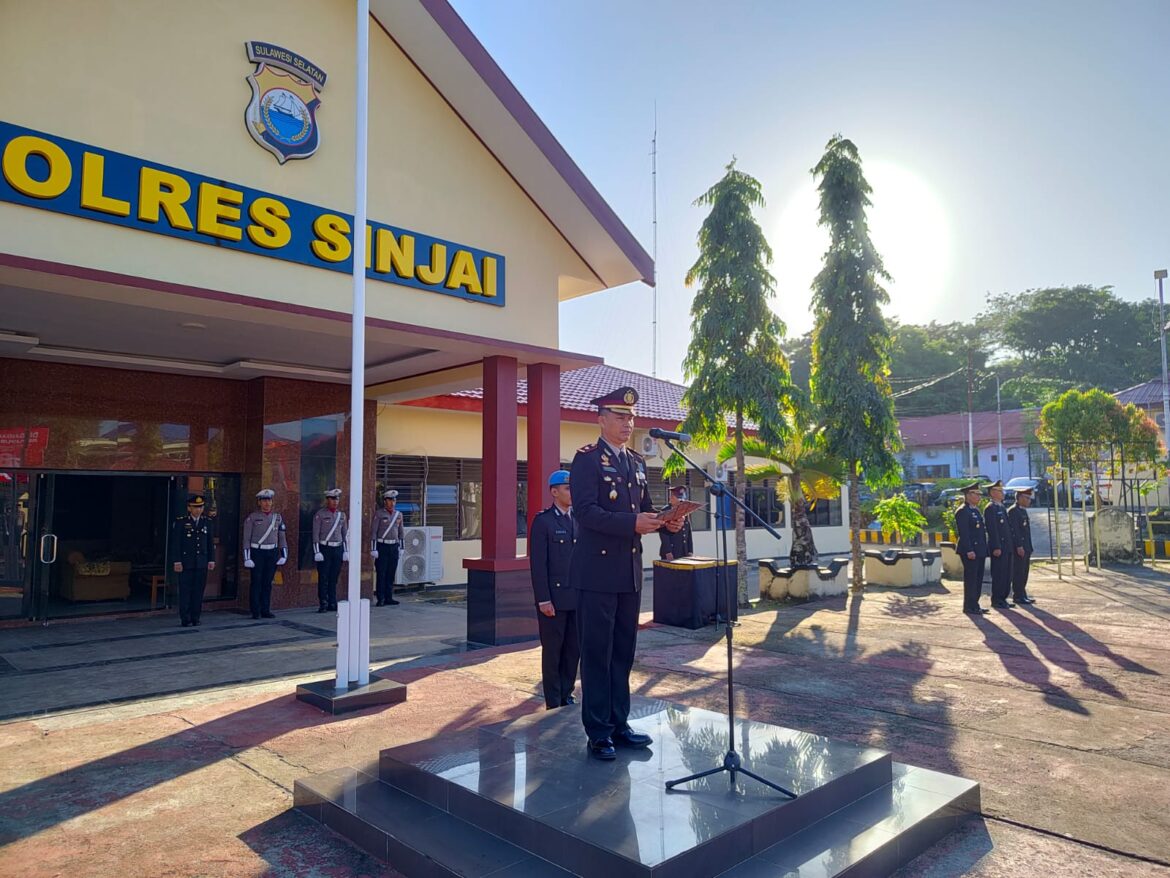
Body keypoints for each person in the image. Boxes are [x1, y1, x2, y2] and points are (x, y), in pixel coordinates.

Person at [569, 386, 681, 761]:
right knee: (597, 653)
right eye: (619, 417)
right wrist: (632, 521)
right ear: (600, 419)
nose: (627, 423)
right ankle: (598, 731)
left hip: (629, 573)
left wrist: (668, 523)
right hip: (596, 574)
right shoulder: (586, 460)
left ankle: (620, 722)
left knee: (623, 652)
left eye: (631, 418)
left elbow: (645, 510)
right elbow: (585, 513)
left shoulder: (636, 462)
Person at [529, 469, 580, 710]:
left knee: (573, 650)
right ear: (554, 491)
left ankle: (567, 693)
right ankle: (553, 700)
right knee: (553, 652)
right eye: (568, 488)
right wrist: (543, 600)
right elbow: (538, 565)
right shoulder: (543, 521)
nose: (572, 492)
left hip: (577, 598)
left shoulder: (578, 519)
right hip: (554, 599)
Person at [171, 493, 215, 627]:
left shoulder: (207, 522)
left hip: (201, 562)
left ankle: (196, 617)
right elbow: (176, 543)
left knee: (198, 591)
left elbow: (209, 543)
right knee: (185, 591)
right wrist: (177, 561)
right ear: (189, 508)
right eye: (195, 507)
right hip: (186, 563)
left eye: (200, 507)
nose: (198, 510)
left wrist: (211, 560)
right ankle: (186, 618)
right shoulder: (181, 522)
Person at [243, 488, 287, 620]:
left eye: (269, 500)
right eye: (264, 501)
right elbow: (246, 538)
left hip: (272, 552)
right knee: (256, 582)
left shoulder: (277, 517)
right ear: (259, 502)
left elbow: (282, 537)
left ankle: (265, 609)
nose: (267, 503)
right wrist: (247, 557)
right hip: (257, 552)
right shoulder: (252, 518)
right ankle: (255, 611)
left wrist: (284, 554)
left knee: (268, 582)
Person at [954, 482, 988, 615]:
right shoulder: (963, 511)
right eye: (976, 494)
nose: (979, 497)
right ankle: (969, 605)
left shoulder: (975, 510)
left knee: (978, 578)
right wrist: (969, 550)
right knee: (971, 578)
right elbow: (964, 533)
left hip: (979, 550)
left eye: (979, 494)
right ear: (968, 495)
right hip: (970, 551)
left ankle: (975, 604)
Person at [312, 488, 347, 613]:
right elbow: (315, 534)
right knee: (324, 577)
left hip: (337, 548)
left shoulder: (341, 515)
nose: (335, 501)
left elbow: (344, 535)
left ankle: (333, 602)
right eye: (333, 499)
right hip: (324, 548)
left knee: (334, 577)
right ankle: (323, 602)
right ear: (327, 500)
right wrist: (317, 551)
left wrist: (345, 551)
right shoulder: (320, 514)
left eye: (337, 499)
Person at [983, 479, 1016, 609]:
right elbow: (993, 529)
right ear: (992, 493)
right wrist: (996, 546)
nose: (1003, 493)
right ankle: (997, 599)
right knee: (999, 574)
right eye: (1000, 491)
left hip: (1007, 546)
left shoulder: (1001, 507)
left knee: (1007, 574)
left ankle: (1003, 598)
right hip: (999, 547)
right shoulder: (990, 508)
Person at [371, 490, 404, 606]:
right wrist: (374, 548)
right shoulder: (379, 514)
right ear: (385, 501)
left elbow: (401, 532)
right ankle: (381, 598)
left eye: (394, 500)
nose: (392, 503)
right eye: (390, 500)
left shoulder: (398, 514)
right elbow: (374, 532)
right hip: (382, 546)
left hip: (394, 546)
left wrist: (402, 548)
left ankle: (389, 597)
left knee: (391, 573)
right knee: (381, 573)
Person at [1007, 486, 1036, 604]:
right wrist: (1019, 546)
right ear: (1019, 498)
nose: (1029, 500)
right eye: (1027, 498)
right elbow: (1015, 531)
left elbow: (1026, 531)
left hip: (1026, 546)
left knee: (1024, 571)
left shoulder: (1022, 510)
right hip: (1019, 548)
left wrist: (1029, 546)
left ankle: (1022, 593)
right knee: (1018, 572)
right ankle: (1018, 595)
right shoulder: (1013, 511)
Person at [658, 485, 694, 561]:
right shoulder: (666, 511)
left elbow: (688, 532)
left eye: (682, 499)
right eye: (672, 496)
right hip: (672, 551)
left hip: (684, 551)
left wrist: (690, 550)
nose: (682, 501)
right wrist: (668, 551)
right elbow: (663, 534)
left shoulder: (684, 511)